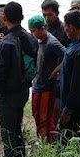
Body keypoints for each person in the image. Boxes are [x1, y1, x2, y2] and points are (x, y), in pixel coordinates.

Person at [0, 1, 38, 157]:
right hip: (24, 90)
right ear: (22, 17)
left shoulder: (5, 42)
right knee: (17, 128)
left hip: (8, 93)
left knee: (8, 132)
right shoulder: (31, 38)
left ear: (4, 18)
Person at [58, 10, 80, 146]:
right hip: (72, 101)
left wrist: (68, 110)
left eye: (65, 26)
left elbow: (78, 83)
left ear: (71, 27)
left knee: (69, 139)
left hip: (74, 105)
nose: (65, 29)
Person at [28, 15, 65, 143]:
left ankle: (47, 143)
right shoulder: (39, 40)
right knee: (37, 114)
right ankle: (47, 140)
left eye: (33, 31)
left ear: (42, 28)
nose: (32, 34)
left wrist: (56, 71)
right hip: (38, 84)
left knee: (44, 117)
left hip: (47, 87)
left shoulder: (52, 42)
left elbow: (68, 56)